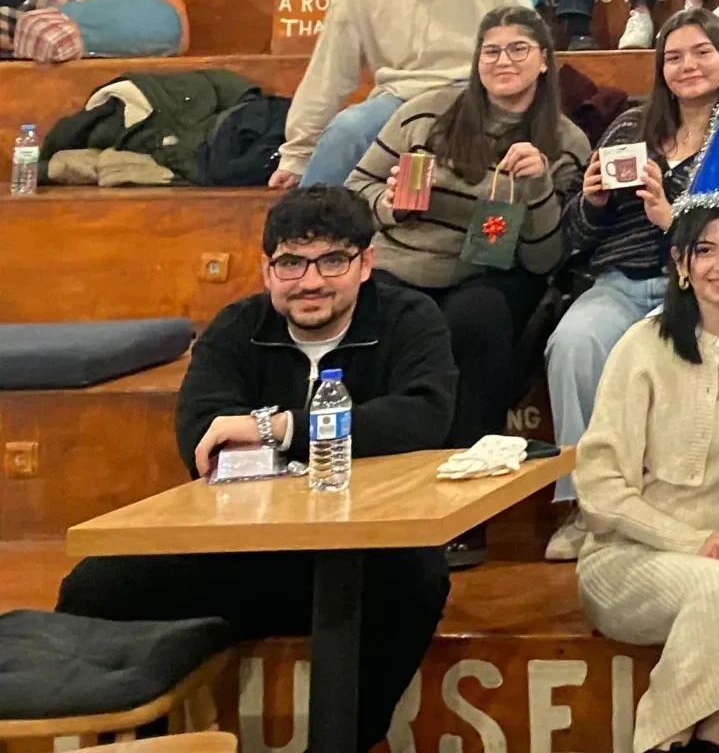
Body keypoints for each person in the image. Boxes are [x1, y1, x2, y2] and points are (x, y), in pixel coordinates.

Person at [55, 187, 455, 753]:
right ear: (267, 269)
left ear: (366, 263)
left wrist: (278, 428)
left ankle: (346, 744)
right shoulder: (235, 328)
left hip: (368, 549)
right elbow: (203, 438)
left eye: (332, 260)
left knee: (418, 577)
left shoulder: (410, 319)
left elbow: (423, 417)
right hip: (252, 550)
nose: (310, 281)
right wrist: (320, 439)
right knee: (96, 586)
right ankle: (144, 744)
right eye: (291, 263)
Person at [347, 7, 590, 564]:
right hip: (402, 262)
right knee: (380, 315)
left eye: (518, 49)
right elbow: (355, 187)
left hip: (492, 274)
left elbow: (545, 258)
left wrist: (537, 188)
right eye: (491, 51)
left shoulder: (565, 142)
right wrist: (390, 205)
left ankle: (464, 512)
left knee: (474, 322)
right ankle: (378, 498)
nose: (503, 61)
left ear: (544, 61)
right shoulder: (424, 114)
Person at [548, 13, 719, 554]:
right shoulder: (629, 127)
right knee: (574, 342)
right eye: (674, 57)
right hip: (621, 282)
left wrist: (673, 218)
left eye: (702, 52)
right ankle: (586, 505)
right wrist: (593, 201)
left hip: (709, 293)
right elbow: (575, 234)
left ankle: (689, 504)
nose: (688, 66)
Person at [572, 197, 719, 753]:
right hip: (628, 555)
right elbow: (600, 488)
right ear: (680, 262)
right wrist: (696, 542)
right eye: (705, 250)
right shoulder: (641, 346)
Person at [272, 0, 532, 191]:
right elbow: (329, 73)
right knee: (349, 128)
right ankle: (307, 220)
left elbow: (527, 49)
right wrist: (297, 155)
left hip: (477, 94)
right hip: (400, 98)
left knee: (434, 154)